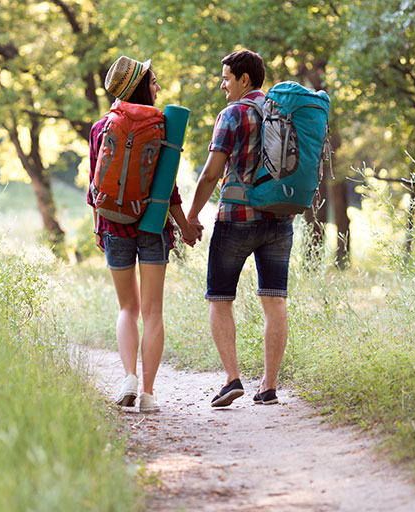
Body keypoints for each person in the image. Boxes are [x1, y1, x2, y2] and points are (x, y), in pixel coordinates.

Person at [88, 56, 198, 413]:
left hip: (113, 225)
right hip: (153, 227)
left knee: (127, 308)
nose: (158, 87)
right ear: (140, 86)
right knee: (152, 312)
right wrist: (183, 224)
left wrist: (98, 227)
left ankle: (128, 379)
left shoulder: (101, 127)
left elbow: (93, 185)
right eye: (153, 82)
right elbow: (169, 189)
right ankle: (149, 394)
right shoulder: (163, 125)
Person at [186, 49, 293, 407]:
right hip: (279, 218)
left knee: (219, 298)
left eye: (227, 77)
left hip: (236, 219)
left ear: (244, 79)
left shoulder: (232, 114)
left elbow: (211, 173)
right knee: (274, 299)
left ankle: (232, 379)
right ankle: (269, 386)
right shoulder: (282, 112)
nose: (222, 84)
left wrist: (192, 215)